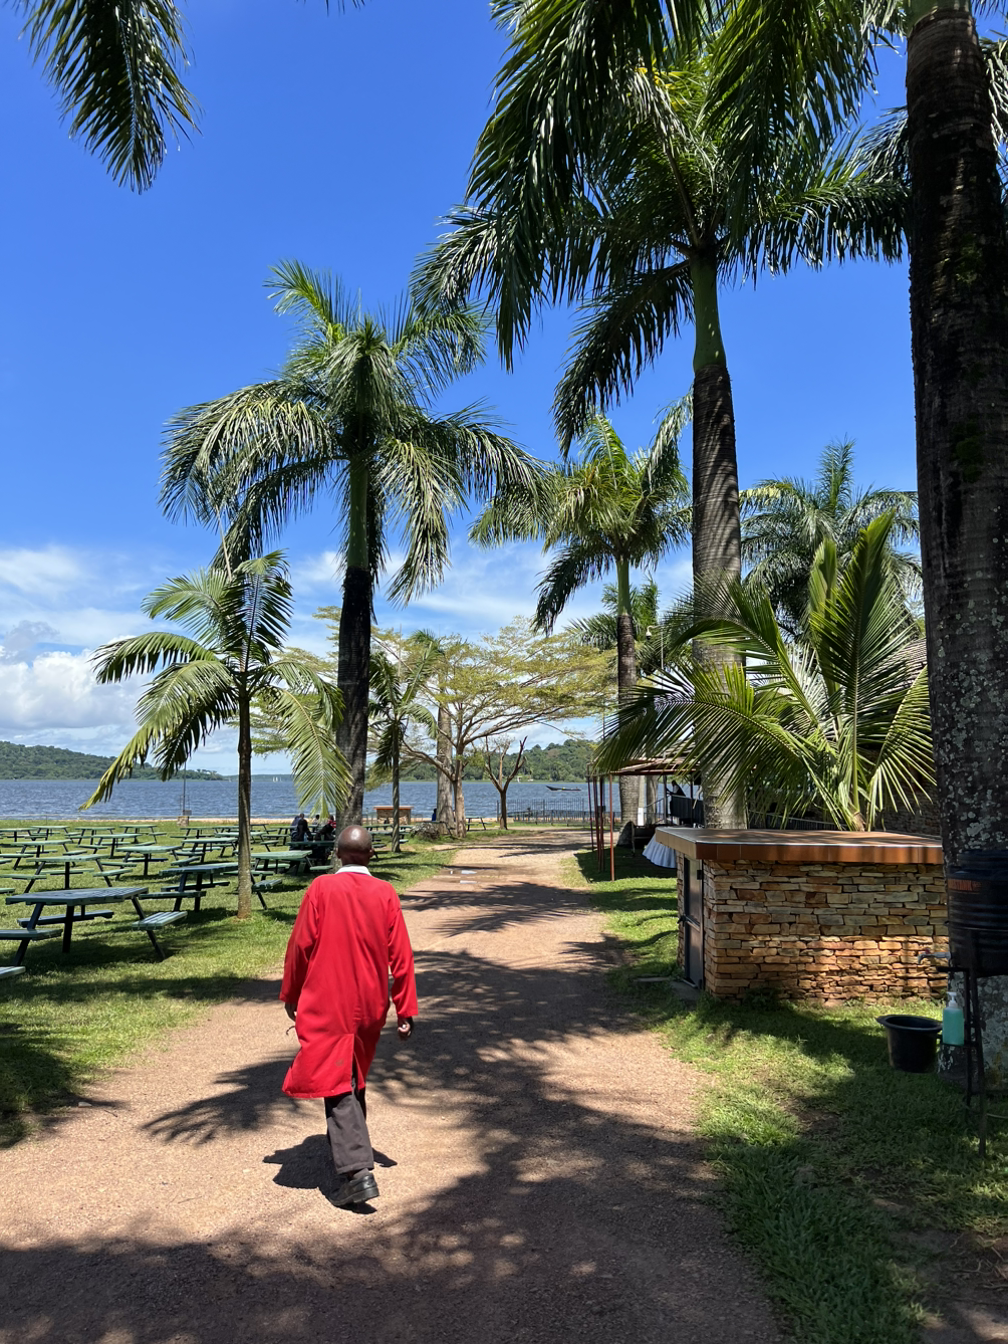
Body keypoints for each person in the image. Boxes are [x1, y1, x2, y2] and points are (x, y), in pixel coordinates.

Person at [280, 825, 417, 1207]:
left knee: (336, 1076)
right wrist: (405, 1008)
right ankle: (351, 1147)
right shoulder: (384, 892)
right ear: (371, 855)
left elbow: (300, 946)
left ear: (337, 854)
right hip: (371, 1004)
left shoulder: (321, 888)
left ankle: (357, 1172)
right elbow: (402, 956)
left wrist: (290, 992)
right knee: (352, 1072)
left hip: (329, 1000)